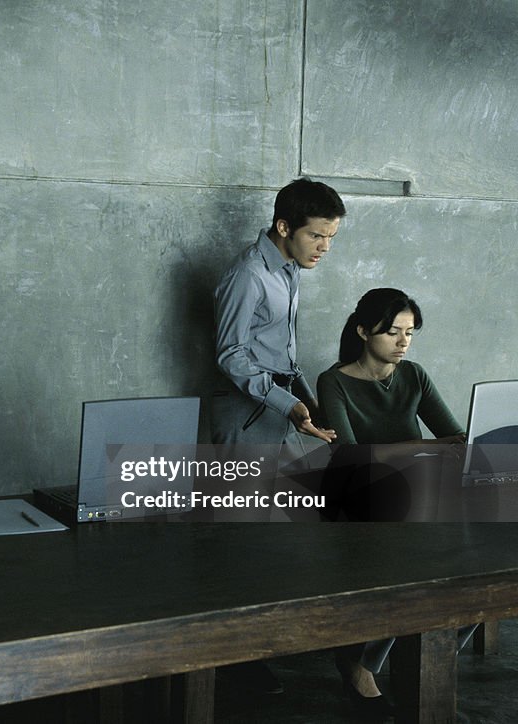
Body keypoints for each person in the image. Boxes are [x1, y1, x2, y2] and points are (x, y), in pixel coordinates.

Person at [210, 178, 345, 694]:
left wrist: (308, 401)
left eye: (331, 238)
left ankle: (255, 653)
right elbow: (229, 355)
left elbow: (282, 354)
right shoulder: (247, 274)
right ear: (284, 226)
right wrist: (291, 404)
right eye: (317, 236)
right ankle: (230, 664)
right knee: (241, 542)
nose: (324, 248)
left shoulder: (287, 270)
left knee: (279, 535)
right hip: (245, 422)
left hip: (278, 416)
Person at [317, 288, 467, 716]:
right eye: (393, 332)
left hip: (416, 494)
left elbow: (452, 437)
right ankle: (362, 664)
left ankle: (425, 651)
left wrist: (445, 448)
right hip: (357, 500)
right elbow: (347, 456)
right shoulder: (335, 380)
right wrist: (425, 447)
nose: (404, 341)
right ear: (364, 331)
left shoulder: (414, 374)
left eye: (411, 332)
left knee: (479, 561)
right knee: (411, 561)